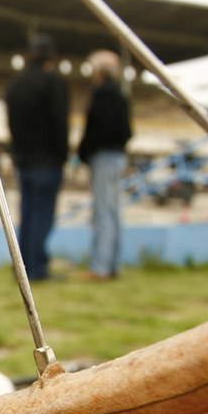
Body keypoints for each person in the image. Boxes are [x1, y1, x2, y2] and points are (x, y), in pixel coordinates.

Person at [5, 34, 70, 281]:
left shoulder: (17, 84)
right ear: (50, 58)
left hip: (24, 159)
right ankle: (37, 268)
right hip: (47, 160)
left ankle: (23, 267)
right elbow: (59, 124)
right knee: (42, 215)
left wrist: (18, 153)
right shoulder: (54, 83)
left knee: (28, 215)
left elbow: (11, 123)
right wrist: (61, 156)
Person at [78, 50, 133, 280]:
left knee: (103, 213)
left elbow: (92, 131)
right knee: (114, 212)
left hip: (103, 157)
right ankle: (112, 265)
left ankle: (100, 267)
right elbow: (128, 131)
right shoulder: (121, 95)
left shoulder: (101, 95)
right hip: (118, 157)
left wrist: (84, 153)